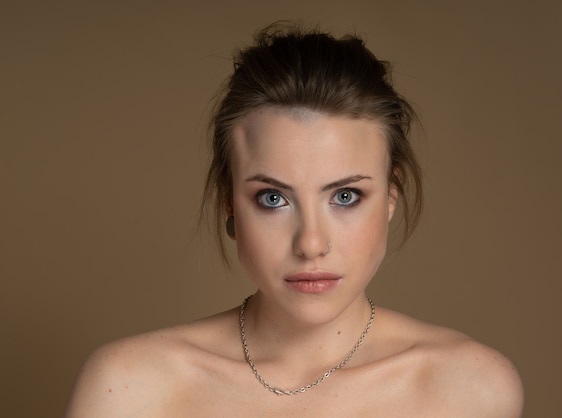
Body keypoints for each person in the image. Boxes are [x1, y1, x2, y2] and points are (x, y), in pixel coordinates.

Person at [65, 23, 523, 417]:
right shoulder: (131, 388)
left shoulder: (468, 388)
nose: (310, 243)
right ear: (229, 202)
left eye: (345, 196)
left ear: (391, 195)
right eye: (272, 198)